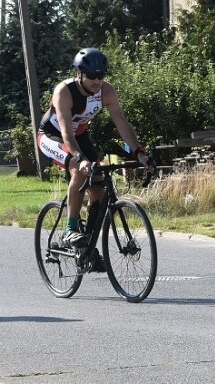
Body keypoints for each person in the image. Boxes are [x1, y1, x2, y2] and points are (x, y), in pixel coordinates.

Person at [37, 48, 150, 266]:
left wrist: (140, 153)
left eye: (101, 76)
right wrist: (79, 159)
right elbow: (67, 134)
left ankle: (86, 246)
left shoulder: (106, 91)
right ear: (79, 74)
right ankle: (70, 228)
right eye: (92, 76)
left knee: (99, 187)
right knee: (78, 169)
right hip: (53, 135)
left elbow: (122, 124)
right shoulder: (64, 91)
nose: (97, 81)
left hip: (80, 135)